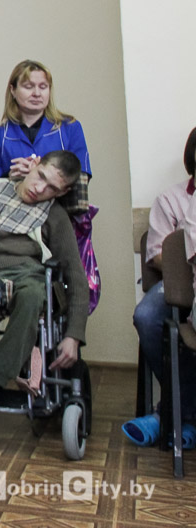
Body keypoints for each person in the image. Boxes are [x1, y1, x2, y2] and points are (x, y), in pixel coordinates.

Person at [0, 151, 88, 406]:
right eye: (40, 176)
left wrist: (73, 335)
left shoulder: (55, 216)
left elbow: (76, 276)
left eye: (51, 188)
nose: (39, 188)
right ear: (33, 165)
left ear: (60, 193)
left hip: (27, 275)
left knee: (34, 296)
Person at [122, 127, 196, 446]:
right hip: (178, 280)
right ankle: (184, 412)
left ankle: (168, 414)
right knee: (148, 315)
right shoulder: (171, 198)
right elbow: (156, 255)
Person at [0, 60, 91, 180]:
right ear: (13, 90)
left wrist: (42, 172)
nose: (37, 93)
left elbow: (81, 180)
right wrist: (10, 178)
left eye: (43, 87)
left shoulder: (70, 128)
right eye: (28, 87)